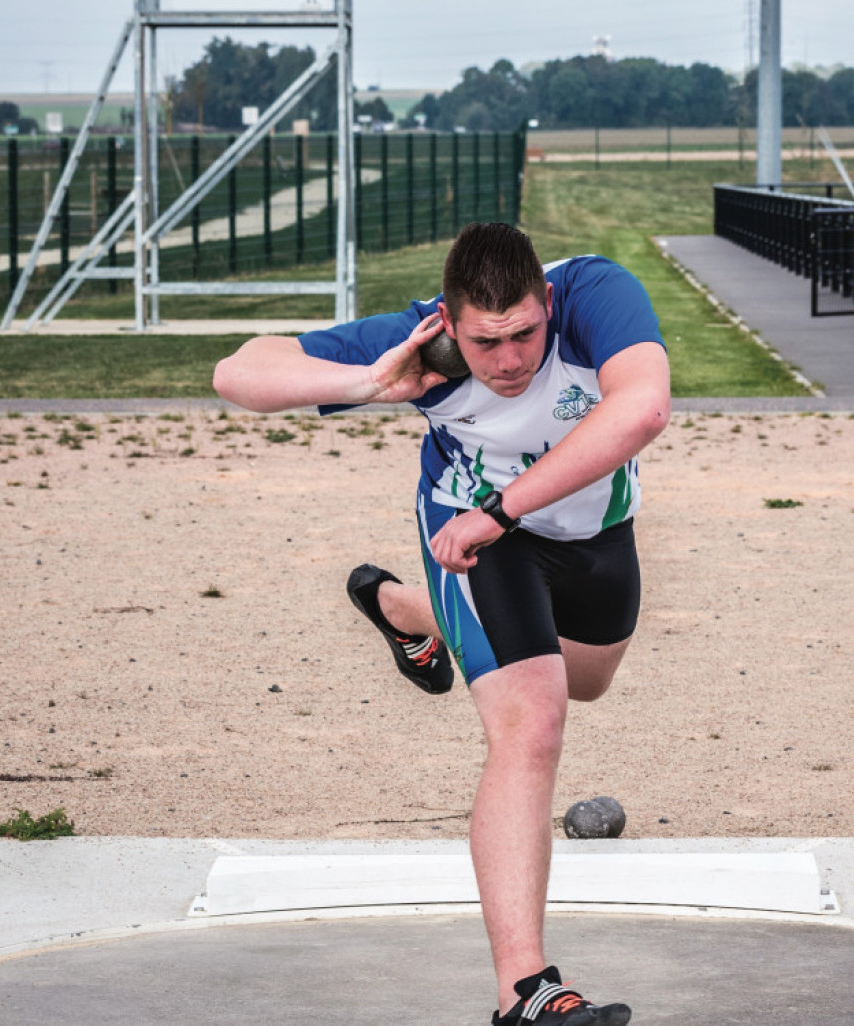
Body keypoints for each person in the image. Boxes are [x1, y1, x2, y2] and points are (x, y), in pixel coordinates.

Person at [213, 221, 669, 1026]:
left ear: (548, 302)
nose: (511, 359)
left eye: (526, 333)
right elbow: (237, 372)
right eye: (486, 343)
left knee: (589, 680)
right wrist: (363, 385)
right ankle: (527, 992)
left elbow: (643, 410)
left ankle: (401, 607)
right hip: (475, 544)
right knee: (534, 723)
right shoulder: (420, 340)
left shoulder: (596, 293)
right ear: (450, 327)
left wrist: (505, 507)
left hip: (585, 535)